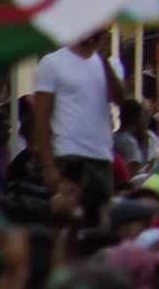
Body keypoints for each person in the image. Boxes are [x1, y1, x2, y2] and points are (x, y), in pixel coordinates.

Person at [33, 30, 124, 226]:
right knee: (69, 218)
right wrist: (49, 166)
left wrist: (104, 60)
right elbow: (41, 116)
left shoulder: (110, 64)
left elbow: (121, 99)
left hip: (102, 157)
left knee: (100, 222)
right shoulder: (53, 62)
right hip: (68, 154)